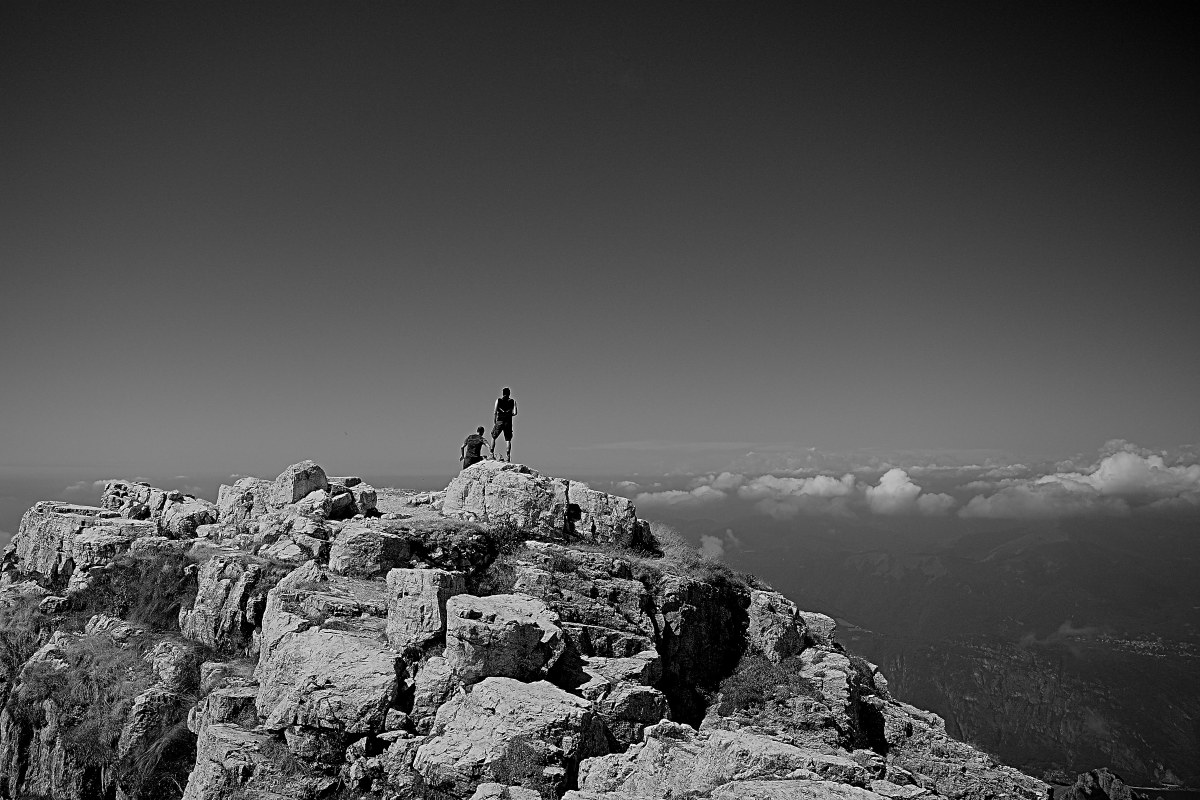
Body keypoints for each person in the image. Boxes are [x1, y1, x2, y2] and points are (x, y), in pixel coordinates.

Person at [490, 387, 518, 461]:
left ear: (503, 393)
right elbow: (515, 413)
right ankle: (508, 456)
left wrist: (494, 421)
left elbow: (495, 412)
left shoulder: (498, 400)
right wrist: (509, 414)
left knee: (493, 436)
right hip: (508, 422)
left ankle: (491, 454)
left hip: (500, 420)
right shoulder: (513, 401)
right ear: (509, 394)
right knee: (508, 439)